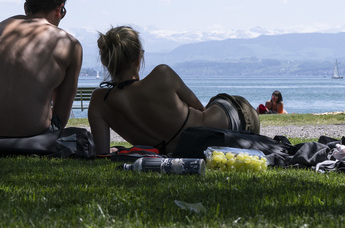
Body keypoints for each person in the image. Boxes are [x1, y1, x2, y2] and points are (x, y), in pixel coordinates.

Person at [88, 25, 259, 155]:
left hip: (219, 133)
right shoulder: (162, 75)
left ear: (105, 61)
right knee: (214, 104)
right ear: (138, 60)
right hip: (235, 119)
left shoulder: (99, 102)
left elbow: (102, 153)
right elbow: (200, 108)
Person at [0, 0, 83, 141]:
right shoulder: (71, 44)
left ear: (26, 7)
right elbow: (61, 113)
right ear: (59, 9)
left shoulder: (2, 27)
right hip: (36, 136)